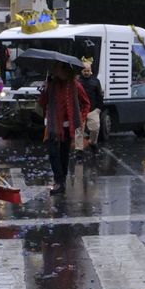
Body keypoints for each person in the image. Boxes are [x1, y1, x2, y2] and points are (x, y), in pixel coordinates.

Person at [38, 62, 90, 194]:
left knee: (64, 154)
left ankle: (62, 182)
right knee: (53, 153)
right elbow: (43, 103)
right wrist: (44, 90)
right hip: (53, 126)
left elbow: (86, 103)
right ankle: (59, 182)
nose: (57, 72)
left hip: (69, 126)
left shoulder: (75, 85)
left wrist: (81, 118)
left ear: (66, 71)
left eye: (59, 69)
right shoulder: (51, 84)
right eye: (55, 70)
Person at [79, 59, 106, 150]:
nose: (86, 73)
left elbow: (100, 95)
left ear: (91, 71)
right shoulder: (77, 81)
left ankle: (93, 142)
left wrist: (99, 108)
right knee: (79, 131)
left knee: (95, 129)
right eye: (84, 71)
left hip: (93, 109)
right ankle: (79, 150)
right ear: (81, 71)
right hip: (80, 109)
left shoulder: (96, 81)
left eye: (88, 71)